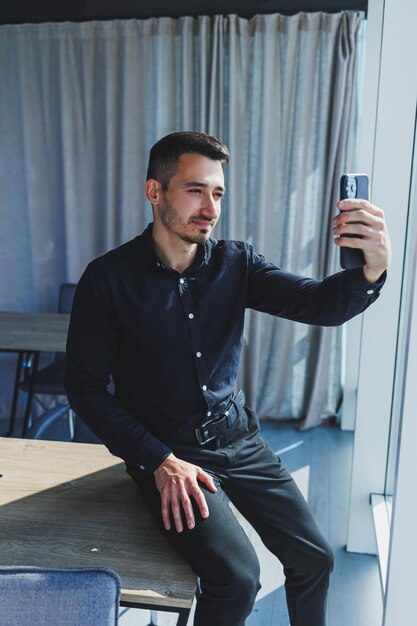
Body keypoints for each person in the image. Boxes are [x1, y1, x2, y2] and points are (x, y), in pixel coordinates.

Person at [65, 131, 391, 626]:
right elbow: (84, 389)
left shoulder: (237, 263)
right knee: (237, 581)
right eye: (195, 190)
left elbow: (320, 304)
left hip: (240, 439)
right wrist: (158, 461)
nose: (210, 207)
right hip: (169, 453)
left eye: (217, 193)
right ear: (155, 192)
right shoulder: (106, 279)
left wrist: (374, 269)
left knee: (315, 560)